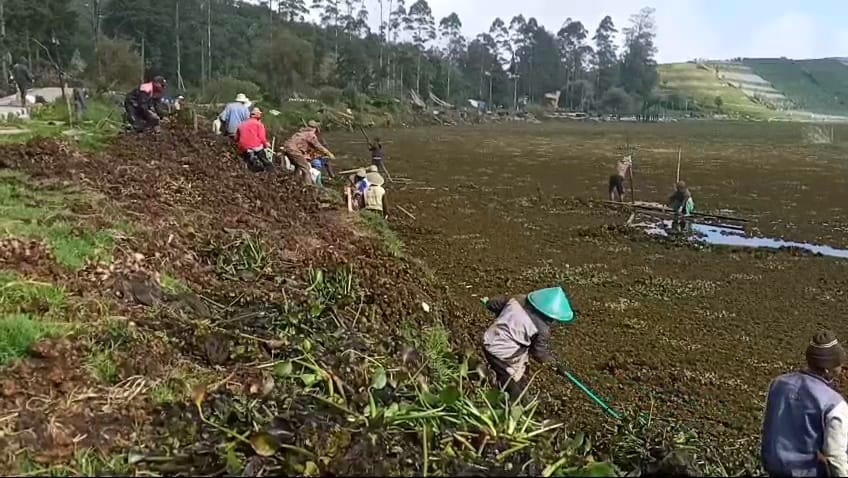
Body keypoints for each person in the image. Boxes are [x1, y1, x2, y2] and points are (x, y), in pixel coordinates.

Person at [761, 330, 848, 477]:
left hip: (774, 469)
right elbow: (835, 456)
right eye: (839, 364)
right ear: (828, 368)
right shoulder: (835, 404)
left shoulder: (778, 384)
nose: (841, 368)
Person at [482, 287, 574, 400]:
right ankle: (515, 402)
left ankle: (495, 380)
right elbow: (538, 352)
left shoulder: (517, 299)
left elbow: (493, 303)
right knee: (511, 381)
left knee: (519, 363)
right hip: (502, 353)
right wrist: (555, 365)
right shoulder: (542, 329)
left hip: (489, 337)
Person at [283, 120, 335, 185]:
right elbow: (318, 146)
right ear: (316, 129)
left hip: (287, 148)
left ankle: (294, 182)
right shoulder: (311, 134)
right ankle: (308, 186)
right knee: (306, 167)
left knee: (298, 166)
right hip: (293, 150)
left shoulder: (301, 133)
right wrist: (328, 153)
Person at [236, 107, 272, 172]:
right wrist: (266, 144)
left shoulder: (242, 124)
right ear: (258, 115)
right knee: (265, 160)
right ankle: (270, 170)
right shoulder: (259, 124)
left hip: (243, 147)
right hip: (255, 145)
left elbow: (237, 137)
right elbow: (262, 138)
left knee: (247, 159)